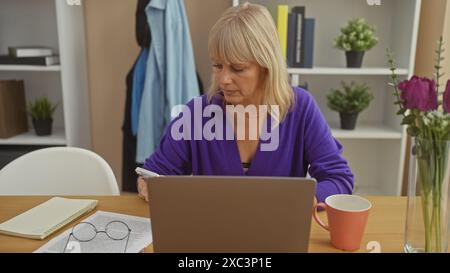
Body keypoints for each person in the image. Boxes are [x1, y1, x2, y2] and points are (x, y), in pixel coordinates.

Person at [137, 2, 354, 202]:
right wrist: (148, 184)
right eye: (217, 66)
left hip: (278, 238)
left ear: (266, 66)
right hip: (212, 237)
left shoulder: (300, 107)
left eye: (237, 68)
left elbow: (339, 179)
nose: (223, 79)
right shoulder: (197, 113)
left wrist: (306, 201)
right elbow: (155, 173)